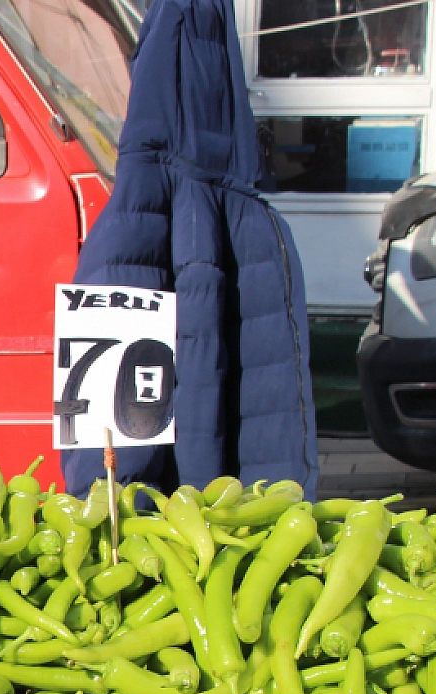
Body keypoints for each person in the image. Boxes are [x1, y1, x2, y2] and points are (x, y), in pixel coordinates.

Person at [60, 0, 318, 500]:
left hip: (153, 540)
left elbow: (105, 423)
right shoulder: (263, 229)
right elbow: (284, 422)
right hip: (247, 526)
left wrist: (116, 516)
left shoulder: (126, 219)